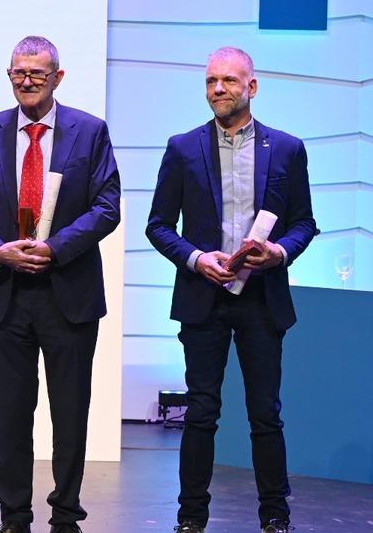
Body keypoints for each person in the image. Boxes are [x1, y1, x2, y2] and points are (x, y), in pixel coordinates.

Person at [146, 46, 315, 533]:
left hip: (262, 299)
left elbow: (304, 222)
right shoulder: (182, 147)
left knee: (266, 414)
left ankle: (275, 517)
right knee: (200, 413)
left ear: (251, 87)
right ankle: (191, 519)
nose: (218, 89)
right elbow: (158, 226)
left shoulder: (286, 148)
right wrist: (197, 259)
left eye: (228, 81)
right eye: (210, 81)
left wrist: (279, 253)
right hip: (205, 299)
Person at [0, 35, 120, 533]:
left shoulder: (89, 132)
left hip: (68, 292)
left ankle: (66, 514)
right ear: (9, 75)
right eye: (18, 73)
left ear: (58, 78)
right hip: (6, 295)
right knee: (12, 417)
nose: (26, 82)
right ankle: (14, 515)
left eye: (37, 74)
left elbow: (106, 207)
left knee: (70, 415)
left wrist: (55, 247)